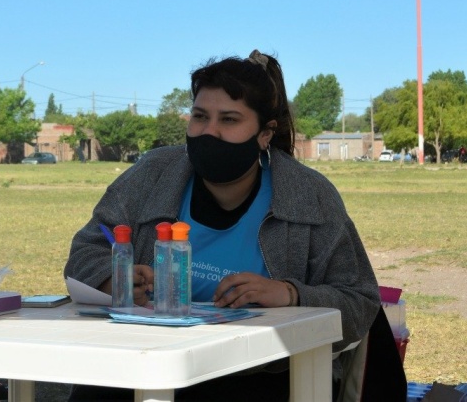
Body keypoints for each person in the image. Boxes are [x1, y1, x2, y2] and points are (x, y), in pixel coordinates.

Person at [64, 50, 381, 401]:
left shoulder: (309, 195)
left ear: (265, 133)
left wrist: (290, 294)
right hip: (143, 362)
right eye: (200, 117)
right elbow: (83, 255)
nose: (208, 133)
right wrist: (113, 280)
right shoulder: (152, 175)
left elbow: (360, 302)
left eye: (229, 120)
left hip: (260, 375)